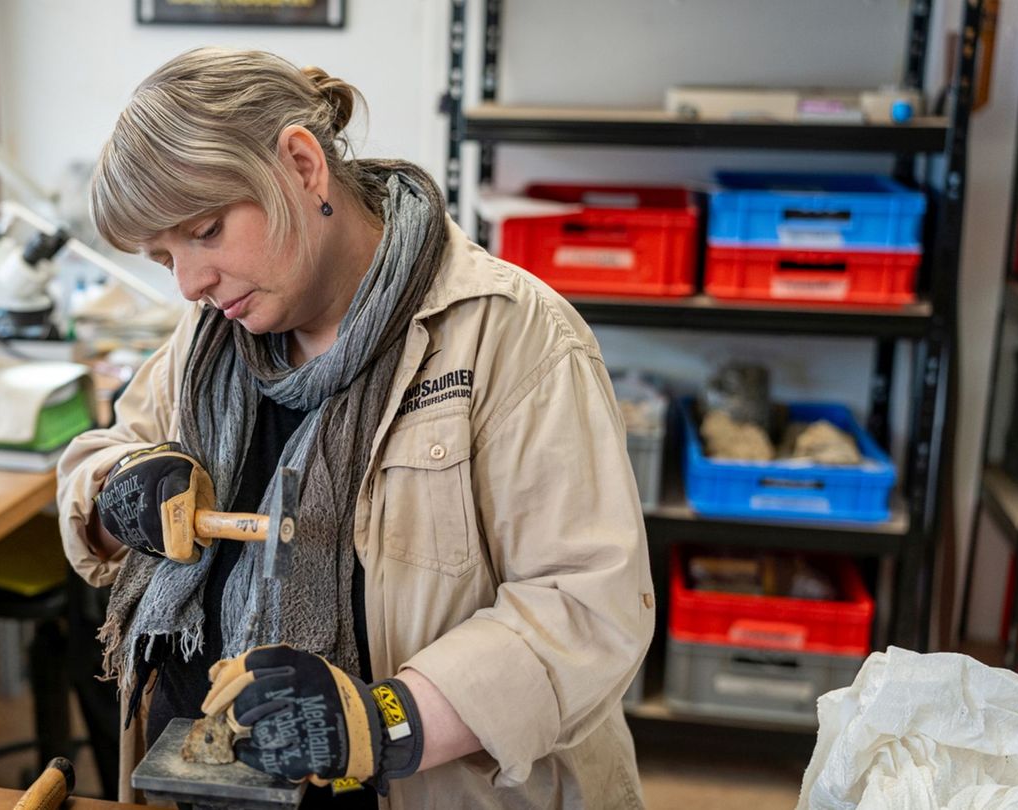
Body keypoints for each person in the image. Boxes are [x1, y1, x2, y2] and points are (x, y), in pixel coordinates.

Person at [56, 46, 654, 809]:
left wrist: (382, 723)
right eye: (163, 256)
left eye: (205, 230)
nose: (190, 284)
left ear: (302, 167)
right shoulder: (208, 339)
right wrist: (116, 494)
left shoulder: (512, 336)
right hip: (204, 780)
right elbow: (101, 463)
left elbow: (586, 605)